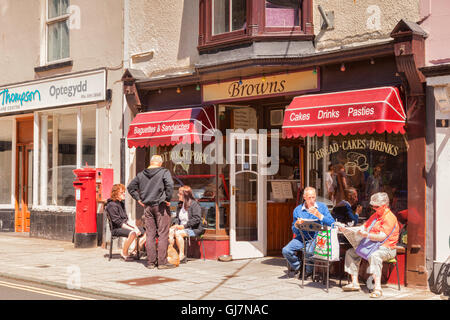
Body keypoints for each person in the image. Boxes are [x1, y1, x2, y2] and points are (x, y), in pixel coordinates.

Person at [339, 192, 399, 298]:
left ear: (384, 206)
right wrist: (350, 230)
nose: (374, 208)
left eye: (376, 206)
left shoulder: (389, 218)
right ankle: (354, 282)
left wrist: (366, 235)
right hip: (371, 245)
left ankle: (377, 288)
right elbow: (365, 226)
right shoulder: (375, 215)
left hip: (387, 248)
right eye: (373, 206)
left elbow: (382, 237)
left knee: (375, 256)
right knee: (351, 252)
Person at [127, 155, 176, 270]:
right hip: (161, 206)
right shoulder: (164, 172)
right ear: (160, 163)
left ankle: (151, 262)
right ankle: (162, 262)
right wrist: (167, 199)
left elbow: (130, 187)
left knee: (150, 234)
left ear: (151, 162)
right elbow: (170, 185)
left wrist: (138, 199)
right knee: (163, 233)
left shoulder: (141, 174)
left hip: (147, 207)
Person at [282, 187, 335, 278]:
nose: (311, 200)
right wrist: (296, 225)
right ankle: (299, 267)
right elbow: (294, 230)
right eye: (309, 197)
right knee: (286, 250)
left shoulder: (322, 207)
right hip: (302, 237)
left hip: (316, 236)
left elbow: (332, 223)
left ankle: (308, 271)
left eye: (313, 197)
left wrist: (319, 215)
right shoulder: (298, 210)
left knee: (309, 251)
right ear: (304, 197)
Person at [104, 184, 146, 261]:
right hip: (117, 229)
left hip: (124, 226)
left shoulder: (121, 203)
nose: (124, 194)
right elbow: (119, 222)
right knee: (133, 233)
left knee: (146, 231)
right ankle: (124, 252)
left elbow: (126, 220)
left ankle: (134, 251)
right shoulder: (111, 205)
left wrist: (135, 227)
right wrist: (133, 229)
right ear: (115, 193)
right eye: (121, 192)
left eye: (124, 192)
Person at [169, 185, 205, 264]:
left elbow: (196, 219)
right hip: (182, 227)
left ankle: (182, 255)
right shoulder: (180, 205)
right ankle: (171, 253)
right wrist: (175, 224)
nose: (178, 195)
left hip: (194, 229)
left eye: (180, 194)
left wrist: (183, 226)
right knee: (170, 231)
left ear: (185, 195)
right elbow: (177, 218)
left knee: (178, 233)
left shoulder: (194, 204)